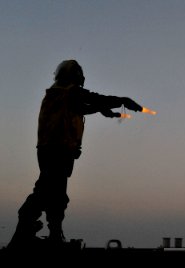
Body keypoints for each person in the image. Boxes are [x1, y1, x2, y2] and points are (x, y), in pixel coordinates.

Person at [7, 59, 143, 249]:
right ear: (75, 76)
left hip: (51, 149)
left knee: (56, 192)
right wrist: (122, 100)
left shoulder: (57, 93)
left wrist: (102, 110)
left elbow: (82, 107)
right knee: (46, 190)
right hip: (58, 150)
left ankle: (53, 234)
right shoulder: (68, 91)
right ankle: (24, 233)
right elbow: (93, 98)